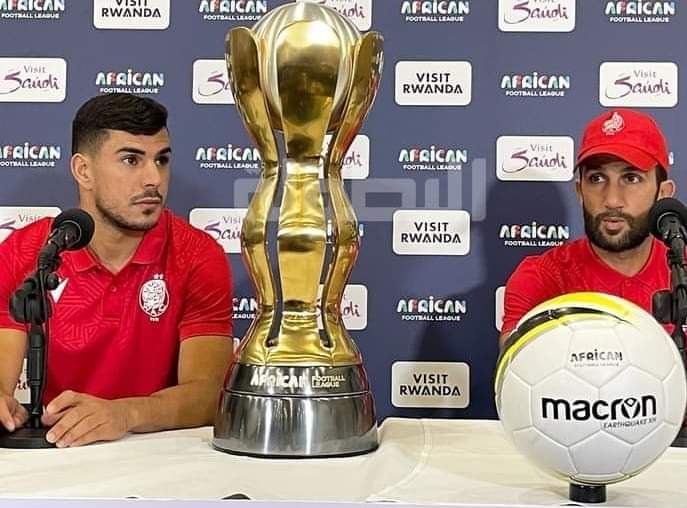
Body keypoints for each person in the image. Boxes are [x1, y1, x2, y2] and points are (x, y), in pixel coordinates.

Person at [0, 93, 233, 447]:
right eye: (131, 160)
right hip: (60, 450)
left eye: (162, 159)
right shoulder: (28, 253)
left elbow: (208, 394)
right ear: (84, 171)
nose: (154, 178)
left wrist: (125, 414)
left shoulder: (197, 255)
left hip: (159, 457)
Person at [500, 108, 675, 345]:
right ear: (580, 191)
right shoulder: (541, 278)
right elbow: (515, 363)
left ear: (663, 193)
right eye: (597, 179)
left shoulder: (682, 271)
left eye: (631, 178)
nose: (612, 200)